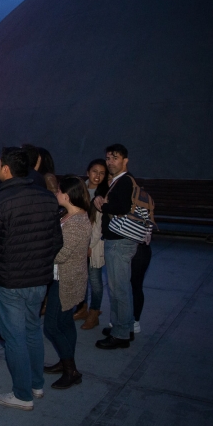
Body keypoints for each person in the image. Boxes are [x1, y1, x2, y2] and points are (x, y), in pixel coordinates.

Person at [0, 147, 62, 411]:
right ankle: (37, 385)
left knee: (14, 338)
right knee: (33, 331)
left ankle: (22, 394)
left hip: (10, 281)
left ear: (6, 169)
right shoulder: (48, 198)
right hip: (39, 279)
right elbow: (57, 241)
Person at [43, 176, 91, 389]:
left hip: (66, 280)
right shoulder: (68, 215)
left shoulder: (78, 222)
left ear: (68, 195)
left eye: (59, 190)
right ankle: (65, 362)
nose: (56, 193)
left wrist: (39, 252)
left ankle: (71, 371)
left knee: (52, 326)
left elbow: (61, 255)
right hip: (61, 277)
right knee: (65, 322)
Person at [93, 143, 138, 349]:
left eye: (115, 158)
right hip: (118, 241)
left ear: (125, 160)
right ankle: (123, 327)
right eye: (108, 158)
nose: (110, 162)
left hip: (119, 242)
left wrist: (102, 203)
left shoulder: (124, 181)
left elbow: (121, 207)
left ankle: (120, 334)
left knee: (118, 289)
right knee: (121, 288)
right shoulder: (119, 181)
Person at [79, 159, 108, 330]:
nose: (98, 176)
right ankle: (82, 309)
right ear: (88, 172)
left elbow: (99, 225)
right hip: (78, 240)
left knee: (95, 280)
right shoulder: (80, 188)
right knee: (81, 279)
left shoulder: (103, 194)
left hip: (93, 245)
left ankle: (94, 312)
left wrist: (90, 245)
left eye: (102, 173)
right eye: (95, 171)